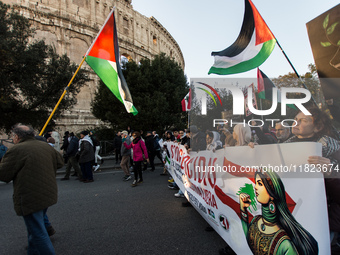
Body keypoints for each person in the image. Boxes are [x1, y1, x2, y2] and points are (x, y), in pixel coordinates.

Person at [0, 124, 64, 255]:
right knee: (35, 228)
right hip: (47, 192)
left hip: (29, 195)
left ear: (17, 136)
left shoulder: (17, 149)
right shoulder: (44, 145)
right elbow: (60, 162)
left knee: (38, 232)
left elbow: (4, 174)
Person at [239, 170, 318, 255]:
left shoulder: (285, 245)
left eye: (260, 184)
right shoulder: (256, 221)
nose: (255, 187)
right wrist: (243, 209)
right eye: (256, 183)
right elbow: (249, 239)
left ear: (272, 193)